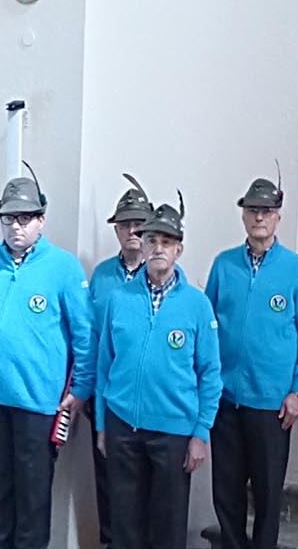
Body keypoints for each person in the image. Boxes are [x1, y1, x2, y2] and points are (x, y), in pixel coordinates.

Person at [0, 177, 91, 549]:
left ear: (41, 220)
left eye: (25, 218)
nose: (16, 226)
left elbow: (84, 334)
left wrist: (81, 389)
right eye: (9, 218)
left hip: (39, 403)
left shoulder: (63, 267)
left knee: (33, 497)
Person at [95, 201, 219, 549]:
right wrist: (103, 425)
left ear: (179, 249)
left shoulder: (197, 305)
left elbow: (210, 374)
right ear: (143, 244)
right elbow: (104, 365)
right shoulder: (119, 298)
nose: (158, 248)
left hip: (173, 431)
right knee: (124, 525)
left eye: (167, 242)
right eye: (152, 240)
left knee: (167, 526)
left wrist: (200, 432)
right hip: (122, 426)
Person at [208, 178, 298, 549]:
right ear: (243, 216)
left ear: (277, 218)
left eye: (266, 211)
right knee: (226, 492)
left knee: (268, 494)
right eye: (253, 210)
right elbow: (207, 329)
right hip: (226, 400)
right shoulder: (223, 265)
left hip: (272, 404)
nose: (259, 217)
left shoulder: (297, 270)